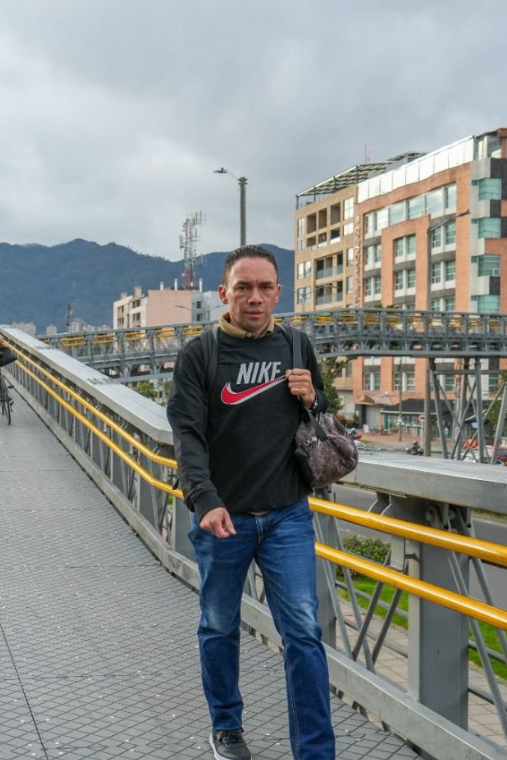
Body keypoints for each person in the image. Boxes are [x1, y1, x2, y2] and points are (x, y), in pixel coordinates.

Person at [167, 245, 334, 760]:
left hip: (287, 514)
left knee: (304, 633)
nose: (255, 297)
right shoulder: (201, 354)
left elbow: (321, 416)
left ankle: (315, 751)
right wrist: (205, 499)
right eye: (244, 287)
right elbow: (187, 435)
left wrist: (312, 397)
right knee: (219, 624)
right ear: (224, 294)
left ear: (278, 293)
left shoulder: (298, 346)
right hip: (225, 518)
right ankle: (227, 727)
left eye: (265, 288)